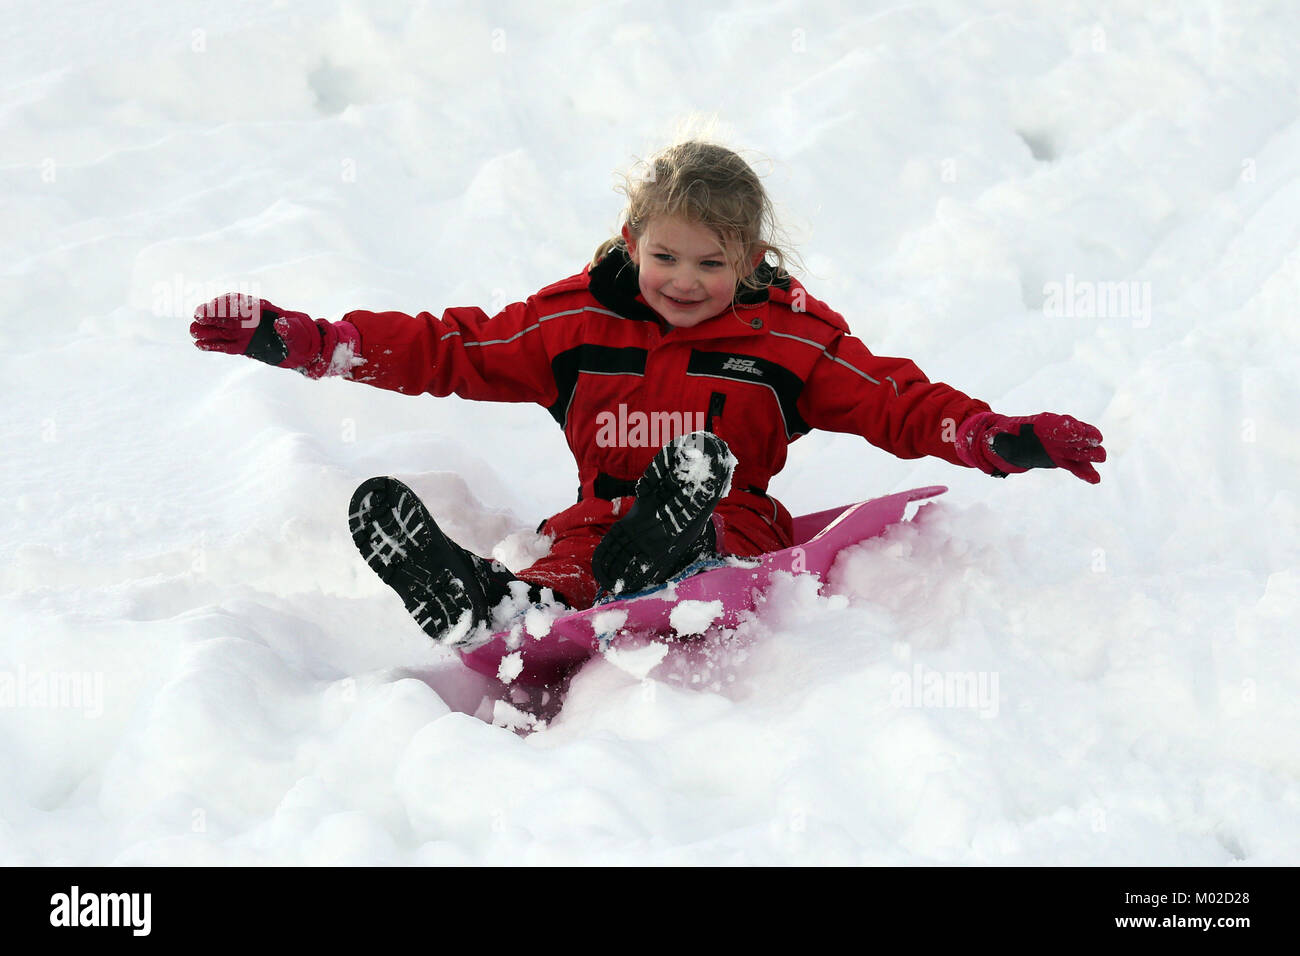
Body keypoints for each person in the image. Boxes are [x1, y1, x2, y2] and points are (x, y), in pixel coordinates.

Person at [191, 140, 1106, 649]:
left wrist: (1002, 438)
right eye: (666, 256)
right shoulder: (573, 325)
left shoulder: (789, 337)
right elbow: (450, 347)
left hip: (729, 519)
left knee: (701, 499)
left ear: (751, 259)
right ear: (631, 238)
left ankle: (666, 550)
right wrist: (305, 341)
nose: (684, 279)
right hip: (595, 521)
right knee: (568, 565)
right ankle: (487, 600)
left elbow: (896, 401)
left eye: (713, 263)